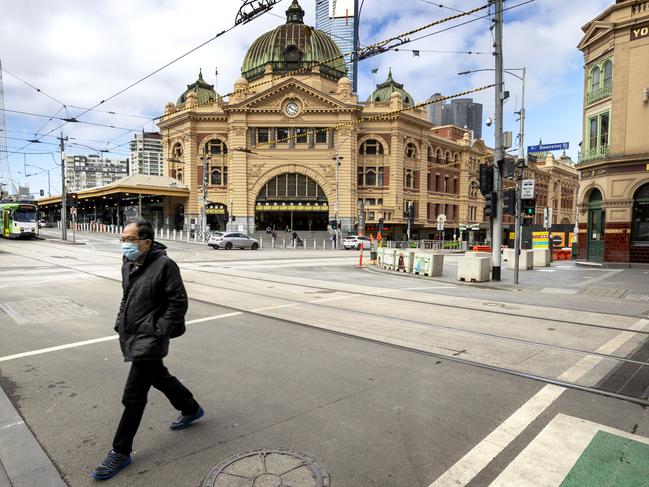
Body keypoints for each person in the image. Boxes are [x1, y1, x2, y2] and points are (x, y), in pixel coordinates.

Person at [91, 220, 204, 481]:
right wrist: (120, 320)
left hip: (150, 338)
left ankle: (120, 451)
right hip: (132, 333)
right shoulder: (128, 262)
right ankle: (191, 409)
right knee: (159, 377)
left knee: (133, 396)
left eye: (130, 239)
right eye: (123, 239)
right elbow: (126, 296)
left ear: (146, 242)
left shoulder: (165, 265)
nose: (125, 244)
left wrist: (158, 329)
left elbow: (178, 303)